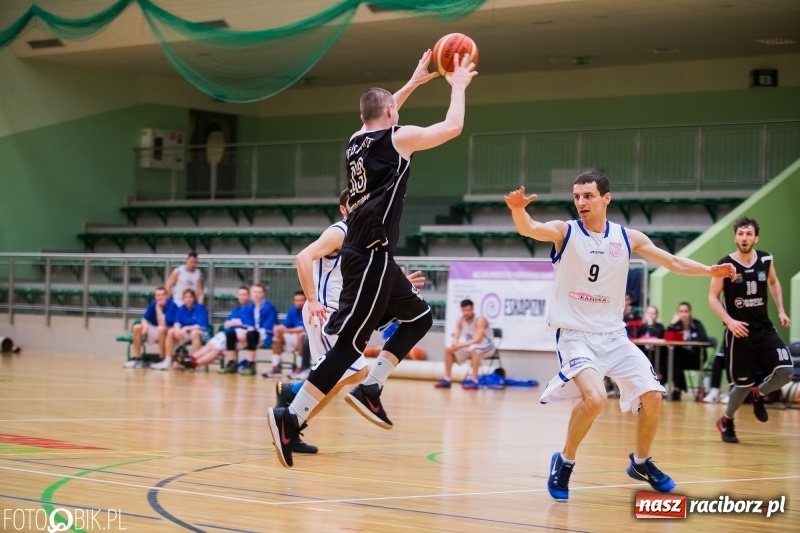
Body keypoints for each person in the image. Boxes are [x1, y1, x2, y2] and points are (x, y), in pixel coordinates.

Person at [267, 49, 477, 468]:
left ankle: (371, 387)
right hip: (368, 255)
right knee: (348, 349)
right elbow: (453, 126)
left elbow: (380, 113)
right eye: (395, 108)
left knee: (419, 317)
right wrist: (456, 86)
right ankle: (290, 417)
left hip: (377, 256)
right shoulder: (397, 140)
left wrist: (415, 81)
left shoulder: (354, 142)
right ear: (390, 112)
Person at [504, 171, 736, 501]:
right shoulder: (566, 232)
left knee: (654, 396)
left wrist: (709, 271)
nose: (581, 202)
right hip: (575, 335)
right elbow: (530, 228)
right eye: (577, 197)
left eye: (588, 196)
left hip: (613, 335)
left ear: (606, 198)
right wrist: (517, 210)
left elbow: (671, 261)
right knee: (596, 398)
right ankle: (565, 461)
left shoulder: (627, 238)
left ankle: (641, 462)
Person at [273, 187, 427, 454]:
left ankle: (292, 419)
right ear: (344, 209)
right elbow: (302, 258)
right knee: (354, 372)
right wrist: (311, 299)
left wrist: (399, 285)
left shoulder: (366, 241)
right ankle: (291, 399)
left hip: (342, 314)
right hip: (324, 313)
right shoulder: (339, 232)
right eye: (353, 205)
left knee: (332, 379)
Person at [708, 216, 793, 443]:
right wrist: (729, 321)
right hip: (739, 333)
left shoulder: (766, 259)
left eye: (748, 234)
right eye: (741, 233)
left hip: (764, 329)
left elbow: (773, 282)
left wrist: (782, 310)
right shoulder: (725, 265)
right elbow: (712, 297)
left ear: (756, 238)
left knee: (786, 371)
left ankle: (760, 393)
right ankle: (727, 420)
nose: (744, 238)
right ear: (736, 237)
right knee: (741, 385)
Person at [178, 283, 277, 377]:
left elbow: (264, 327)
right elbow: (233, 323)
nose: (257, 295)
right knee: (221, 340)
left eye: (259, 292)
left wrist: (243, 328)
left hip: (260, 335)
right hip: (239, 334)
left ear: (263, 294)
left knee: (218, 347)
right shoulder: (246, 308)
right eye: (255, 292)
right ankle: (193, 360)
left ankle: (193, 362)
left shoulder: (268, 307)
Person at [179, 286, 252, 374]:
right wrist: (233, 322)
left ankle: (194, 364)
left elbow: (245, 323)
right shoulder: (236, 310)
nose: (242, 297)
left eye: (244, 294)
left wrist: (237, 322)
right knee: (210, 345)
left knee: (215, 349)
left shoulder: (251, 309)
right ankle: (190, 359)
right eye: (240, 295)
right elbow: (227, 323)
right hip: (227, 333)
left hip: (238, 335)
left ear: (249, 296)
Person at [434, 299, 495, 390]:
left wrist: (460, 345)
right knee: (448, 350)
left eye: (468, 310)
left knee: (474, 349)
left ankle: (474, 380)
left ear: (473, 309)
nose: (466, 313)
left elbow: (477, 340)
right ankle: (447, 379)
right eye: (464, 310)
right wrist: (454, 343)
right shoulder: (460, 320)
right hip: (470, 346)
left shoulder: (480, 319)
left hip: (487, 346)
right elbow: (456, 336)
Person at [153, 288, 210, 370]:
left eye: (190, 297)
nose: (188, 299)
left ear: (194, 298)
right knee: (171, 331)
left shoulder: (200, 308)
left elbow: (201, 326)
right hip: (185, 332)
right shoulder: (181, 309)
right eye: (186, 297)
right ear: (183, 299)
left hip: (201, 332)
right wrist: (177, 330)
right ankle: (168, 360)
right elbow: (177, 322)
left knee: (194, 333)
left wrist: (186, 328)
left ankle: (194, 362)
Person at [663, 302, 708, 401]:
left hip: (696, 357)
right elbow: (667, 337)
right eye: (681, 311)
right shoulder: (676, 325)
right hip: (680, 358)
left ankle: (673, 387)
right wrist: (672, 324)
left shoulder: (696, 324)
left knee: (675, 356)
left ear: (690, 312)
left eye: (686, 311)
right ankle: (677, 389)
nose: (683, 314)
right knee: (673, 355)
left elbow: (704, 338)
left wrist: (688, 340)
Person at [123, 286, 178, 368]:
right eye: (157, 295)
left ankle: (162, 359)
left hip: (169, 331)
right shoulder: (153, 303)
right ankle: (137, 359)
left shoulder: (172, 305)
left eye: (162, 295)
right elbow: (144, 319)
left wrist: (158, 308)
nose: (160, 297)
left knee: (161, 329)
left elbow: (163, 324)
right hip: (155, 329)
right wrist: (145, 326)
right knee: (137, 327)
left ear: (166, 296)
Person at [265, 291, 307, 377]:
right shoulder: (292, 310)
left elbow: (301, 330)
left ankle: (300, 368)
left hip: (307, 340)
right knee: (278, 335)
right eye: (296, 300)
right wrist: (279, 328)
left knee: (301, 336)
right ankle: (275, 368)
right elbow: (285, 325)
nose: (299, 303)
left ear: (306, 300)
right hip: (294, 338)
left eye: (301, 300)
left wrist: (285, 330)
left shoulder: (309, 311)